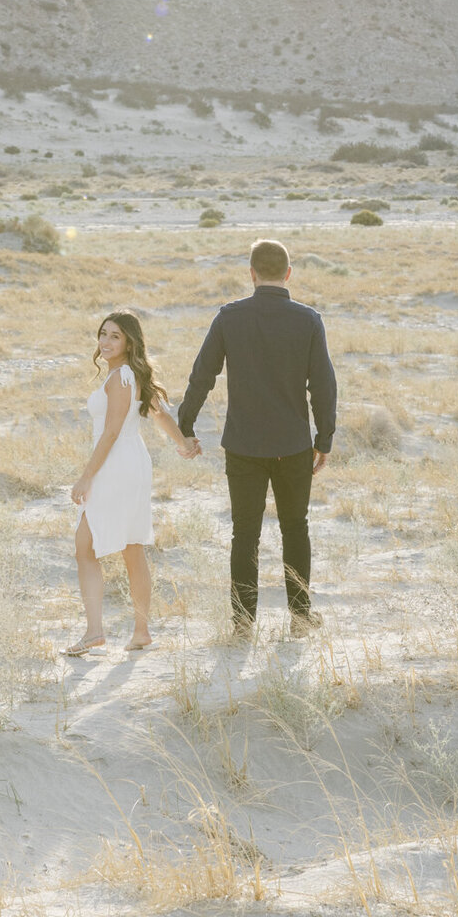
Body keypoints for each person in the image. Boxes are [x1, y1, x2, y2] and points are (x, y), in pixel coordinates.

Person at [176, 239, 336, 636]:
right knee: (295, 528)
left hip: (244, 446)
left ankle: (243, 624)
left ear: (251, 274)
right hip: (293, 444)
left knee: (244, 534)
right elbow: (324, 386)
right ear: (288, 273)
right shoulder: (308, 319)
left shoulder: (230, 317)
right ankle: (300, 619)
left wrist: (186, 423)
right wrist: (325, 438)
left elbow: (202, 375)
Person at [67, 309, 198, 657]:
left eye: (115, 336)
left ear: (129, 342)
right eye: (103, 334)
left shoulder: (121, 377)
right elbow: (160, 414)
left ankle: (97, 631)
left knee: (86, 546)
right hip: (130, 463)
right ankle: (140, 631)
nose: (106, 342)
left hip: (116, 465)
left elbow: (110, 433)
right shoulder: (130, 374)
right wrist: (182, 443)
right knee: (131, 546)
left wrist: (85, 477)